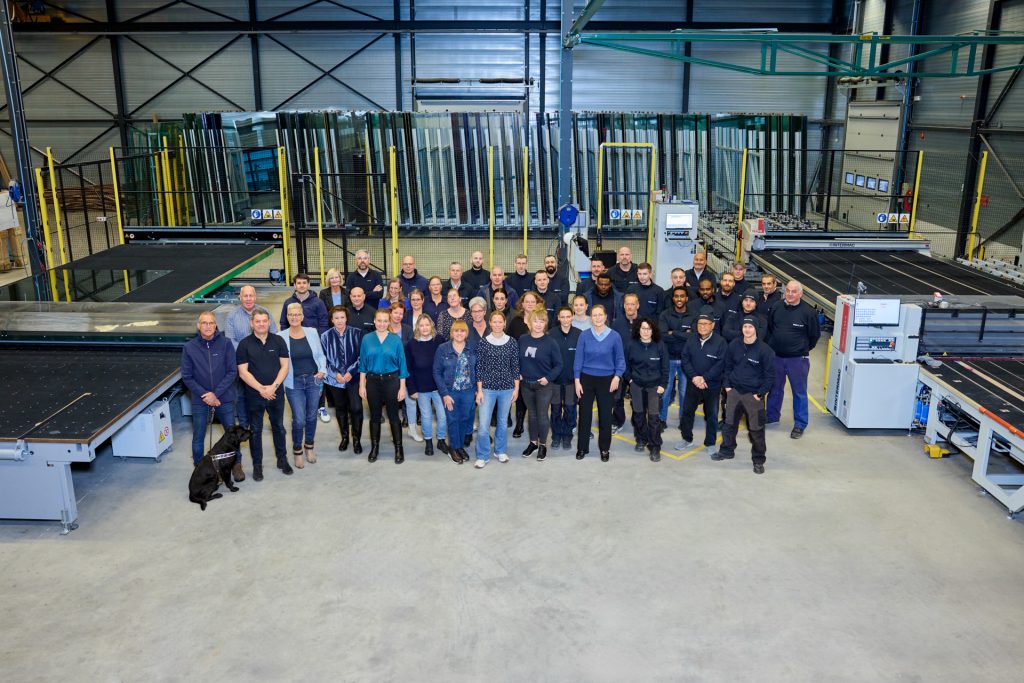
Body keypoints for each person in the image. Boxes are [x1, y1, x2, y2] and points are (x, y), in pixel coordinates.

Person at [236, 309, 292, 480]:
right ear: (251, 323)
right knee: (256, 430)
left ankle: (282, 460)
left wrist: (273, 387)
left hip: (276, 394)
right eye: (258, 321)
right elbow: (243, 372)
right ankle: (257, 466)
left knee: (279, 428)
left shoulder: (279, 340)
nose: (261, 324)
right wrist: (261, 389)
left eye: (264, 321)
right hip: (254, 396)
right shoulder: (244, 344)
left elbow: (285, 366)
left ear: (269, 322)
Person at [716, 317, 776, 474]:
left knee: (756, 430)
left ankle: (758, 460)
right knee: (729, 424)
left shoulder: (765, 350)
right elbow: (727, 367)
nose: (747, 329)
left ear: (756, 329)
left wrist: (760, 393)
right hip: (734, 392)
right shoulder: (734, 345)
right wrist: (727, 386)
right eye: (745, 326)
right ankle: (727, 450)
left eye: (750, 326)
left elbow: (770, 376)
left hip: (753, 395)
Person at [181, 311, 237, 468]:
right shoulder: (189, 348)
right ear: (198, 325)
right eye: (204, 323)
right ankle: (199, 468)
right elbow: (187, 376)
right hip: (200, 400)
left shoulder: (226, 344)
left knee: (232, 435)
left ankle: (236, 465)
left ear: (215, 325)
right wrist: (205, 394)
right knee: (198, 437)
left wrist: (215, 394)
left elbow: (232, 371)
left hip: (224, 398)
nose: (208, 326)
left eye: (211, 323)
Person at [766, 280, 820, 440]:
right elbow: (771, 328)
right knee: (774, 389)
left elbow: (814, 336)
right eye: (788, 291)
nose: (790, 294)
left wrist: (801, 349)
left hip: (797, 360)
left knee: (799, 392)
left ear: (800, 294)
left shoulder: (808, 312)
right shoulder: (776, 307)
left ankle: (800, 424)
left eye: (794, 291)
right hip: (776, 357)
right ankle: (771, 416)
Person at [278, 302, 327, 469]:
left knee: (311, 417)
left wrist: (322, 369)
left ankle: (309, 447)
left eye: (297, 314)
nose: (294, 317)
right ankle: (297, 450)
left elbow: (320, 355)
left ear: (302, 316)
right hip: (294, 383)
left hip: (313, 380)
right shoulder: (280, 336)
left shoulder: (312, 332)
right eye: (291, 314)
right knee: (299, 419)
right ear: (287, 317)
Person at [574, 305, 625, 461]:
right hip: (586, 379)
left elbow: (620, 359)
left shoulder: (615, 336)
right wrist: (577, 380)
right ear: (591, 318)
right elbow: (578, 359)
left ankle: (604, 449)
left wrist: (617, 377)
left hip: (607, 380)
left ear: (605, 316)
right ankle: (582, 448)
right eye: (594, 315)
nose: (597, 318)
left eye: (600, 315)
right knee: (584, 415)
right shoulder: (584, 335)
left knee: (605, 416)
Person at [358, 308, 410, 464]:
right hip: (372, 381)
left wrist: (402, 388)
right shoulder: (367, 339)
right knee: (374, 417)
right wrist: (362, 385)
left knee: (393, 416)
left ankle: (399, 448)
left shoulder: (395, 340)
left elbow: (402, 365)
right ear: (374, 321)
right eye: (379, 320)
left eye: (385, 321)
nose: (381, 324)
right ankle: (375, 447)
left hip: (391, 381)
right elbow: (363, 364)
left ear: (389, 322)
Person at [225, 285, 278, 433]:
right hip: (243, 364)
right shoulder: (232, 316)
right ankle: (244, 425)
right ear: (240, 297)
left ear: (255, 297)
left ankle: (273, 423)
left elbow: (274, 334)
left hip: (265, 363)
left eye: (251, 296)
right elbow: (230, 341)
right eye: (245, 296)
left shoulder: (265, 312)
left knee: (268, 392)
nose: (248, 299)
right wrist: (249, 354)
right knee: (242, 395)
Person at [474, 310, 521, 468]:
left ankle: (500, 450)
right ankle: (482, 455)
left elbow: (515, 366)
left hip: (507, 389)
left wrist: (516, 388)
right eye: (494, 321)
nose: (497, 324)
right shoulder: (484, 342)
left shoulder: (512, 342)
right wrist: (479, 390)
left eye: (500, 321)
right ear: (490, 323)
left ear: (504, 323)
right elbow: (479, 368)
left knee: (502, 422)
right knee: (483, 424)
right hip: (487, 389)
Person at [679, 309, 728, 454]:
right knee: (687, 411)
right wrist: (694, 377)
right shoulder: (691, 339)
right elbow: (685, 358)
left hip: (711, 385)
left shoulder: (720, 342)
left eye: (706, 324)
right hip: (693, 383)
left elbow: (720, 364)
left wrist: (704, 378)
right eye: (700, 324)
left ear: (713, 325)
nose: (703, 327)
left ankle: (710, 443)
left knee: (712, 415)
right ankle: (686, 438)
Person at [517, 310, 563, 461]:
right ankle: (533, 443)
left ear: (545, 324)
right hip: (526, 385)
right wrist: (518, 372)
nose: (538, 324)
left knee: (542, 415)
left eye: (541, 321)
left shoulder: (551, 342)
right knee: (532, 415)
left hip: (543, 386)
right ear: (529, 323)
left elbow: (559, 365)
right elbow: (516, 359)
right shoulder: (523, 339)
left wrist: (548, 378)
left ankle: (543, 444)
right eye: (535, 321)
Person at [432, 319, 477, 464]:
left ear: (466, 333)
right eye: (456, 330)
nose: (459, 333)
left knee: (465, 418)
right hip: (450, 391)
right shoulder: (443, 349)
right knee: (452, 419)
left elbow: (477, 369)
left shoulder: (471, 348)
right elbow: (436, 372)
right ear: (452, 332)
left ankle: (459, 446)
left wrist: (477, 389)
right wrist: (444, 394)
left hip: (468, 391)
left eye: (462, 331)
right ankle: (453, 448)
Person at [405, 314, 449, 457]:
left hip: (439, 387)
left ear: (432, 326)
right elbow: (408, 368)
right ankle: (428, 441)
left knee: (443, 415)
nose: (424, 328)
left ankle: (441, 440)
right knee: (426, 416)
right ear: (417, 327)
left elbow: (447, 363)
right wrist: (412, 389)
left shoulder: (440, 341)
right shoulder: (411, 344)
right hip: (421, 388)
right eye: (421, 325)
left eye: (427, 325)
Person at [321, 305, 363, 454]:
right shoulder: (325, 336)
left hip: (353, 378)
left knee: (356, 408)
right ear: (332, 320)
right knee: (340, 408)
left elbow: (362, 355)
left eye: (342, 317)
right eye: (336, 318)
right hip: (335, 380)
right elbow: (323, 358)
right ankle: (345, 437)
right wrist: (335, 373)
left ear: (346, 318)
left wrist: (351, 372)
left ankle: (356, 439)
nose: (339, 320)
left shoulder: (357, 333)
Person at [627, 316, 669, 461]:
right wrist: (630, 380)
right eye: (643, 328)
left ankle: (655, 446)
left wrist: (663, 385)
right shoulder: (631, 345)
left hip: (654, 387)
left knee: (653, 418)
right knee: (638, 415)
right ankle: (641, 438)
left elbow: (665, 368)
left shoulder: (660, 345)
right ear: (638, 330)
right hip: (637, 385)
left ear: (653, 331)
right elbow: (625, 365)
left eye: (649, 329)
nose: (646, 331)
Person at [659, 285, 695, 429]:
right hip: (668, 359)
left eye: (682, 296)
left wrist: (673, 332)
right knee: (665, 392)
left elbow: (693, 337)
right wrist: (684, 334)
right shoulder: (665, 315)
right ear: (673, 298)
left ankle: (683, 421)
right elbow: (662, 336)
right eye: (676, 296)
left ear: (686, 298)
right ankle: (661, 420)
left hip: (687, 360)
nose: (679, 299)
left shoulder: (694, 315)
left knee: (684, 393)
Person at [549, 306, 581, 452]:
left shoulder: (579, 334)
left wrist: (579, 378)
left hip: (571, 381)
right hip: (555, 380)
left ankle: (567, 435)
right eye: (563, 317)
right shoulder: (551, 334)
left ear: (572, 317)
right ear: (558, 318)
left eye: (568, 316)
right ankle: (556, 435)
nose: (566, 319)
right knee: (555, 409)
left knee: (570, 409)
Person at [611, 293, 641, 433]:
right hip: (620, 366)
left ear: (637, 305)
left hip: (638, 367)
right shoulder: (617, 323)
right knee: (617, 397)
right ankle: (618, 421)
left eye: (632, 304)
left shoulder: (644, 323)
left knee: (637, 397)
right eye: (627, 304)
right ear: (623, 306)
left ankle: (638, 421)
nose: (630, 307)